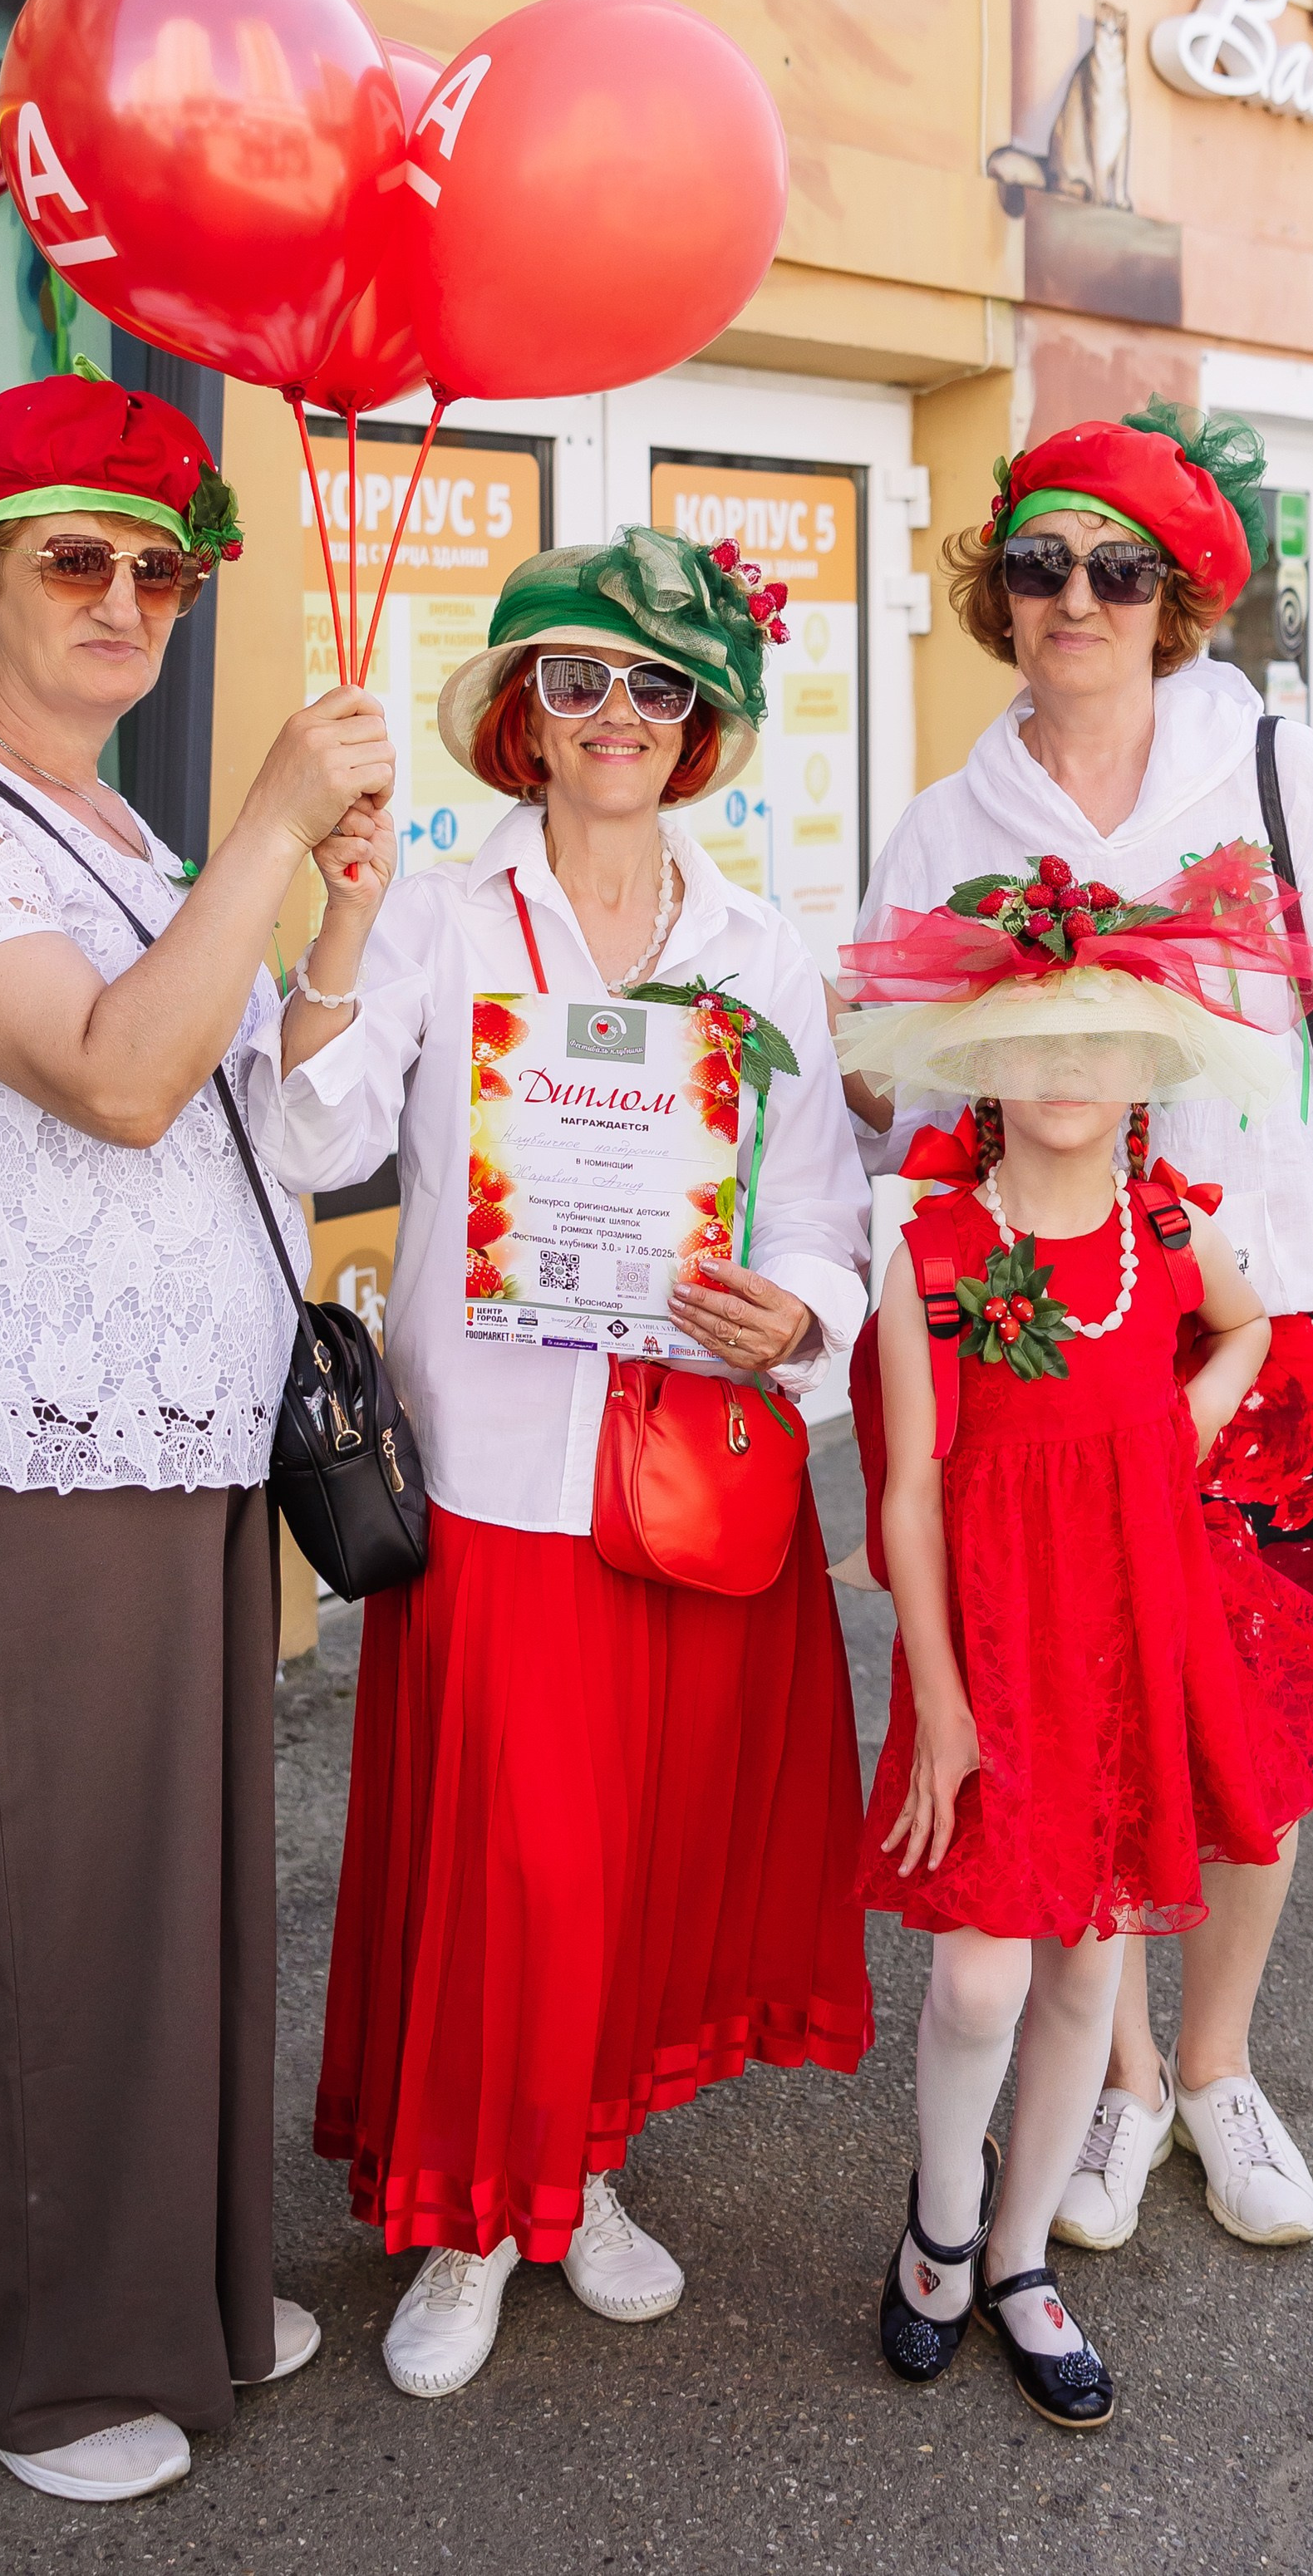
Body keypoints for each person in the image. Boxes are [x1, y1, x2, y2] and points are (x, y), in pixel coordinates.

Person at [0, 371, 394, 2504]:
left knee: (186, 1898)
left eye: (164, 567)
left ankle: (194, 2296)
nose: (128, 598)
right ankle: (29, 2361)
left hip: (180, 1435)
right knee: (47, 1912)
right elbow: (115, 1076)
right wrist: (262, 833)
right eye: (78, 556)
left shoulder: (141, 838)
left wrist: (328, 905)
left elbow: (278, 1115)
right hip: (13, 1458)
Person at [839, 398, 1313, 2256]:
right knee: (1084, 1724)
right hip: (1051, 1353)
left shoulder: (1266, 765)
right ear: (999, 595)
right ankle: (1107, 2088)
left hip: (1270, 1315)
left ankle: (1215, 2066)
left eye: (1121, 570)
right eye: (1040, 564)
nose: (1078, 598)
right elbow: (890, 1095)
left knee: (1250, 1725)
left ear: (1179, 596)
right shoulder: (950, 820)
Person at [258, 526, 874, 2401]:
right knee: (507, 1855)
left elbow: (833, 1213)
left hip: (693, 1475)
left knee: (637, 1853)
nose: (618, 713)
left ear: (700, 727)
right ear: (521, 716)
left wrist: (806, 1309)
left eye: (657, 684)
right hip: (505, 1481)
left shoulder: (765, 947)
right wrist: (345, 910)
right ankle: (466, 2211)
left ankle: (582, 2165)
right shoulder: (446, 919)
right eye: (580, 679)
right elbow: (307, 1129)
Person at [838, 873, 1313, 2424]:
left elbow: (1255, 1325)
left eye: (1100, 1036)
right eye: (1031, 1033)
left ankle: (1018, 2258)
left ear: (1146, 1063)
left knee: (1091, 1957)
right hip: (993, 1647)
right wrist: (939, 1702)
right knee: (974, 1978)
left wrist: (1179, 1427)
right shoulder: (932, 1251)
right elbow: (908, 1486)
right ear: (978, 1056)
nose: (1066, 1065)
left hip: (1127, 1633)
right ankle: (939, 2226)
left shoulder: (1162, 1231)